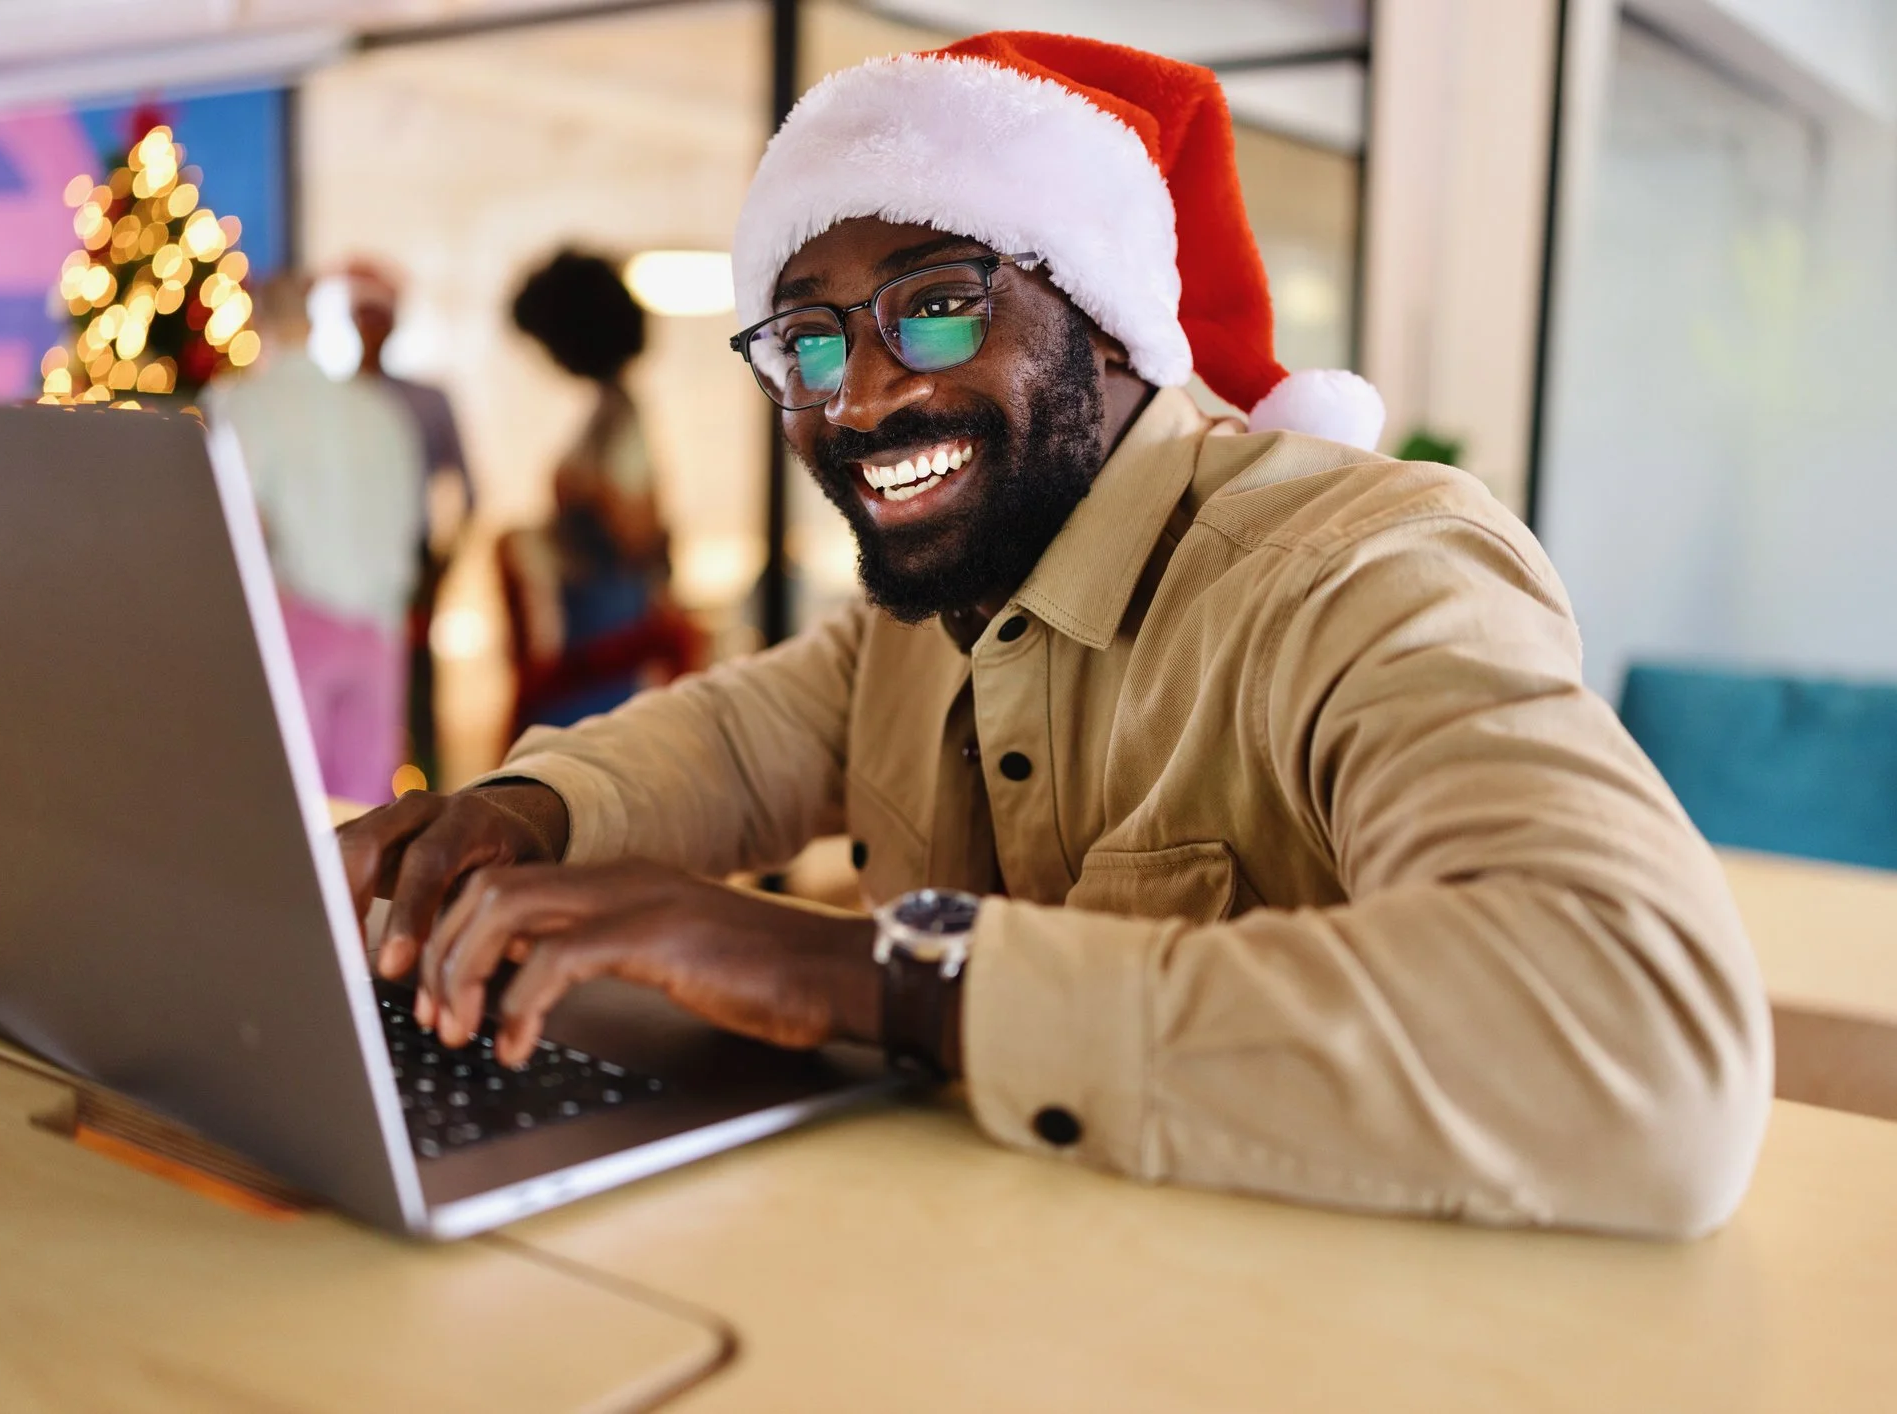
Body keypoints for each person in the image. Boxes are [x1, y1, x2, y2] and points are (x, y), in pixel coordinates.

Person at [338, 32, 1769, 1237]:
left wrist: (867, 973)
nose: (860, 395)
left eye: (941, 308)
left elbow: (1645, 1042)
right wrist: (515, 816)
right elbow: (734, 736)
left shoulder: (1360, 569)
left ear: (1102, 322)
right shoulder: (936, 600)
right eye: (812, 338)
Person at [206, 270, 422, 804]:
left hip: (295, 621)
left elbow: (239, 518)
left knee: (287, 806)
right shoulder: (380, 410)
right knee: (365, 807)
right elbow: (410, 517)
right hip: (380, 625)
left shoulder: (243, 402)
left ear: (259, 322)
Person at [497, 250, 699, 736]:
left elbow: (639, 527)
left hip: (608, 628)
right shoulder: (609, 412)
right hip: (591, 619)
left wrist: (585, 495)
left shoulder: (619, 416)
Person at [347, 261, 477, 788]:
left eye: (381, 315)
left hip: (410, 557)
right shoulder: (339, 400)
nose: (373, 325)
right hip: (348, 561)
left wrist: (443, 563)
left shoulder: (425, 401)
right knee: (356, 684)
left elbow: (468, 490)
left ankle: (428, 795)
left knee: (418, 688)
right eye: (365, 314)